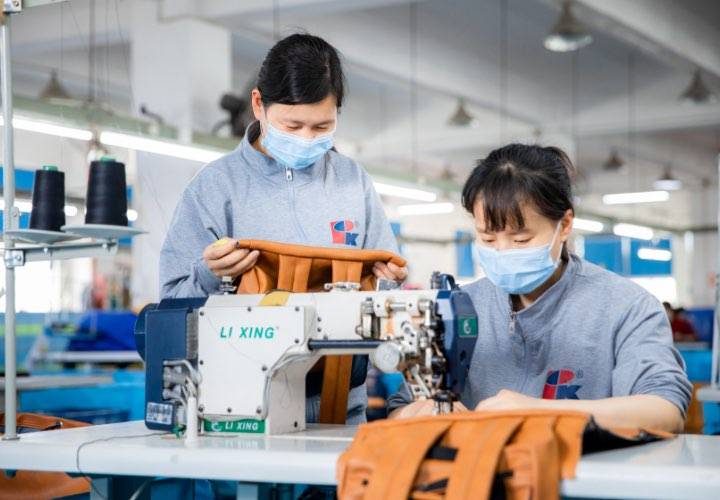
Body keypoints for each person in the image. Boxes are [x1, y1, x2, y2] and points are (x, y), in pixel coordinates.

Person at [160, 33, 407, 425]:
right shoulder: (214, 189)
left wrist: (391, 282)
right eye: (292, 125)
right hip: (240, 412)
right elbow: (170, 308)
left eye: (322, 126)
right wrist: (208, 275)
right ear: (258, 104)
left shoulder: (352, 182)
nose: (308, 139)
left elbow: (386, 295)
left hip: (341, 411)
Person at [389, 144, 691, 432]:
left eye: (521, 240)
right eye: (488, 239)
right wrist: (415, 414)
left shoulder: (626, 307)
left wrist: (539, 413)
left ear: (566, 224)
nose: (503, 252)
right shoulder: (458, 307)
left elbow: (665, 411)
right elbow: (401, 406)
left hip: (582, 479)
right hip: (477, 478)